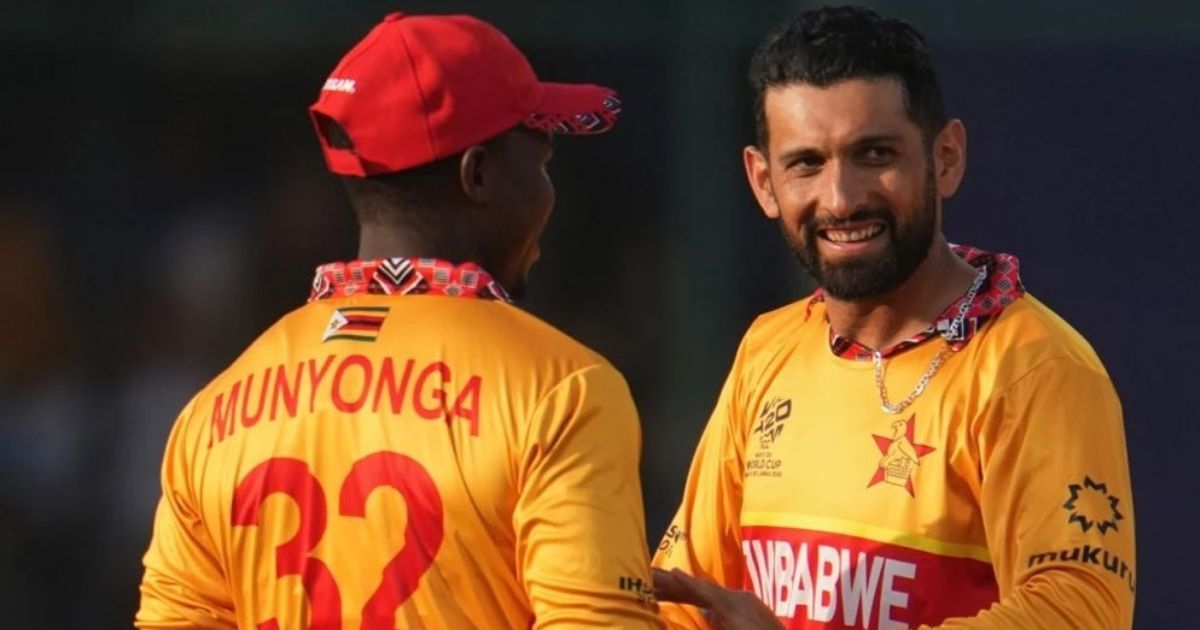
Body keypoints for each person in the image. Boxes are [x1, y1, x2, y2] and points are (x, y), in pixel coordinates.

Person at [135, 12, 663, 629]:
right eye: (541, 164)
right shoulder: (563, 391)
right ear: (479, 175)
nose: (550, 192)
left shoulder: (211, 415)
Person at [651, 6, 1135, 629]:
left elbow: (1078, 610)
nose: (841, 199)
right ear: (764, 181)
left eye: (874, 153)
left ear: (946, 158)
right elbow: (685, 602)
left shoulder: (1037, 370)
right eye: (806, 163)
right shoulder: (769, 348)